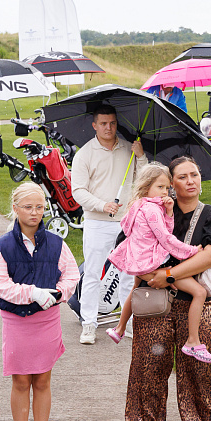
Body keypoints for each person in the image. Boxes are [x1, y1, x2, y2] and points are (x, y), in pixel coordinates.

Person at [125, 155, 211, 421]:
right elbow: (130, 246)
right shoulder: (150, 212)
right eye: (183, 176)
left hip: (195, 307)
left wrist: (169, 275)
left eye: (195, 174)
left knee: (199, 374)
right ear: (169, 184)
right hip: (154, 306)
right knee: (148, 372)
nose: (191, 181)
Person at [0, 181, 80, 421]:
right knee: (20, 380)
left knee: (42, 379)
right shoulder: (2, 247)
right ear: (15, 209)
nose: (34, 213)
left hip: (47, 319)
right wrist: (32, 293)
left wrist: (57, 295)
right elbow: (1, 286)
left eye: (39, 207)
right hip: (17, 321)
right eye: (28, 207)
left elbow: (71, 276)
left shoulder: (57, 243)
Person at [105, 163, 210, 360]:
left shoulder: (138, 205)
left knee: (135, 288)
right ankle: (193, 342)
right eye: (160, 187)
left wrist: (169, 212)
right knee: (199, 291)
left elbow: (130, 230)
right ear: (147, 187)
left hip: (138, 261)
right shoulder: (152, 210)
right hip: (152, 263)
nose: (165, 192)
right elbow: (166, 238)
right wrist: (191, 251)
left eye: (167, 187)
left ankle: (119, 328)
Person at [69, 105, 145, 344]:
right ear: (94, 125)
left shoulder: (128, 149)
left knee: (127, 274)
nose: (108, 128)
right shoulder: (85, 154)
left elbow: (144, 180)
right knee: (92, 273)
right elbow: (78, 191)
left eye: (112, 123)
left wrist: (141, 156)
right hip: (97, 223)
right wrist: (102, 205)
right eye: (103, 123)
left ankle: (128, 323)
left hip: (125, 222)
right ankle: (89, 324)